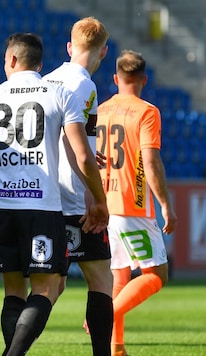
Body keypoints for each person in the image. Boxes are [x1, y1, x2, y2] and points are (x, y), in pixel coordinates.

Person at [0, 33, 109, 356]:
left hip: (0, 207)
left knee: (13, 290)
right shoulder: (58, 94)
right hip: (42, 206)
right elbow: (81, 156)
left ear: (13, 60)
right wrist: (98, 197)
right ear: (40, 63)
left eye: (3, 60)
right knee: (46, 287)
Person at [96, 49, 177, 356]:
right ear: (143, 79)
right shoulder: (147, 111)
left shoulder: (101, 110)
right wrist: (166, 203)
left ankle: (115, 348)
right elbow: (150, 159)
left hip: (105, 202)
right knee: (156, 274)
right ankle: (105, 318)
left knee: (119, 276)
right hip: (133, 204)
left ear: (116, 79)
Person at [43, 17, 113, 356]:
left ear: (70, 47)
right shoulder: (85, 86)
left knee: (50, 287)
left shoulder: (45, 80)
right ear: (104, 51)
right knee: (101, 280)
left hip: (43, 195)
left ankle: (15, 347)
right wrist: (96, 198)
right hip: (75, 198)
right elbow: (82, 154)